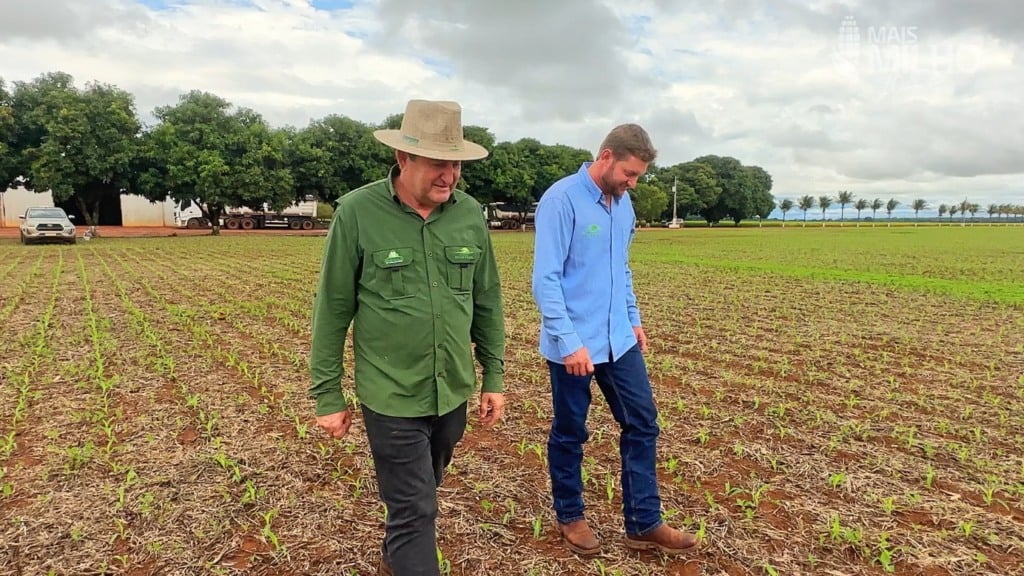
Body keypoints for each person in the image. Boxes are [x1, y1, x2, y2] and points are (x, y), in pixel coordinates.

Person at [309, 99, 506, 576]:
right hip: (391, 392)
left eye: (456, 164)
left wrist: (494, 376)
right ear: (403, 158)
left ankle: (397, 551)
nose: (450, 175)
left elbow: (486, 299)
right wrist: (328, 394)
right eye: (438, 163)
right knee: (417, 507)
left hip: (451, 389)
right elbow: (332, 309)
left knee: (422, 491)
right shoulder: (357, 213)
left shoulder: (469, 214)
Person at [531, 124, 697, 556]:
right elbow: (546, 279)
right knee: (571, 431)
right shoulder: (561, 200)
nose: (633, 183)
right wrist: (568, 341)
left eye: (638, 175)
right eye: (629, 173)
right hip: (574, 344)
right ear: (606, 157)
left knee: (642, 422)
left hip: (618, 339)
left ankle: (644, 522)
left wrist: (633, 318)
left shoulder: (624, 206)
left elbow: (620, 269)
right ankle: (570, 515)